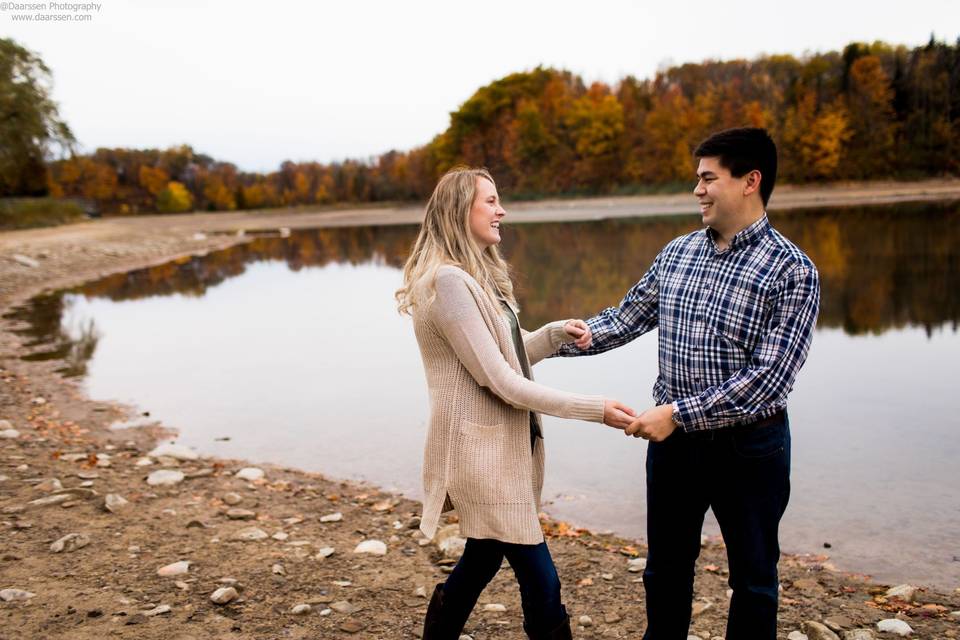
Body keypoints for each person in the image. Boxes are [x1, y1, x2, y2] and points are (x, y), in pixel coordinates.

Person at [555, 128, 821, 639]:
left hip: (751, 450)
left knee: (755, 579)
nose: (697, 190)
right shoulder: (677, 253)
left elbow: (769, 380)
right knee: (666, 570)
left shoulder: (793, 271)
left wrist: (677, 413)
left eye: (707, 178)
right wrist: (555, 339)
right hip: (674, 446)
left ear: (750, 181)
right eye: (697, 179)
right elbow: (626, 317)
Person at [396, 166, 636, 640]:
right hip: (479, 454)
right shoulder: (448, 282)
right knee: (539, 575)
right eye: (490, 201)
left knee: (482, 557)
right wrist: (595, 409)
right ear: (459, 210)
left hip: (499, 449)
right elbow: (503, 381)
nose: (501, 210)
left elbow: (504, 354)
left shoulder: (474, 278)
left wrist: (551, 335)